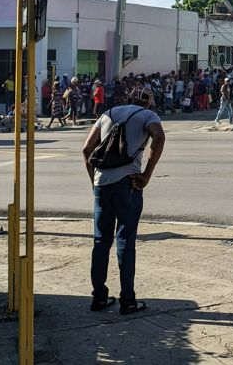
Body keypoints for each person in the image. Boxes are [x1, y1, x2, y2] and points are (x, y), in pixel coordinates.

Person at [81, 86, 166, 316]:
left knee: (101, 241)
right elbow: (159, 137)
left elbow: (87, 149)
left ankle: (99, 297)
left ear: (127, 98)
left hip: (102, 184)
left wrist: (94, 182)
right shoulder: (148, 116)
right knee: (125, 241)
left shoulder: (107, 113)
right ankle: (127, 300)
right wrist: (147, 174)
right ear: (148, 102)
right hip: (128, 184)